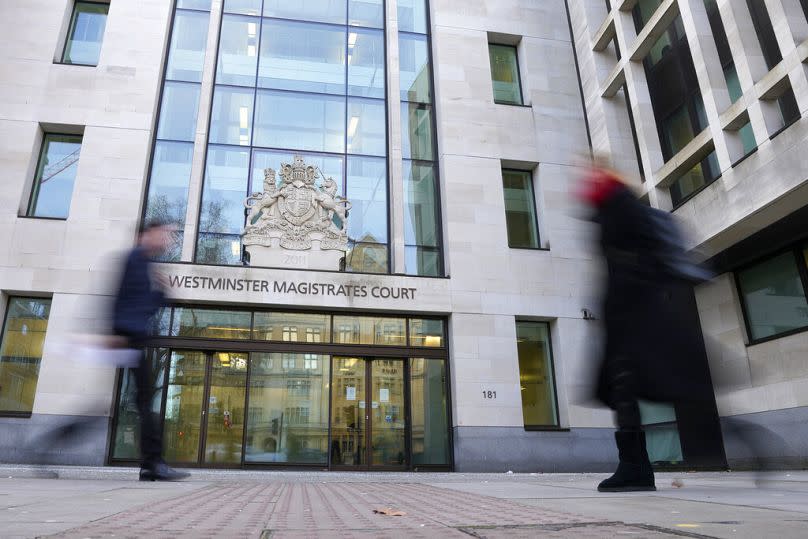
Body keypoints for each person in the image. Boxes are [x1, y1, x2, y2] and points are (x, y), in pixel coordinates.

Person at [578, 166, 711, 492]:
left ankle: (635, 468)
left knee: (629, 387)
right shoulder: (617, 208)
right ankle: (635, 467)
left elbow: (628, 265)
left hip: (631, 315)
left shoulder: (619, 210)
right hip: (631, 313)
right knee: (625, 390)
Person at [112, 219, 189, 482]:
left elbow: (143, 305)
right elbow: (126, 301)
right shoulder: (135, 260)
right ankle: (153, 463)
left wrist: (161, 292)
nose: (167, 240)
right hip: (130, 336)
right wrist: (117, 333)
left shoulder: (143, 263)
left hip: (132, 336)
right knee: (144, 400)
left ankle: (151, 464)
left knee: (142, 399)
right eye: (164, 234)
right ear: (148, 234)